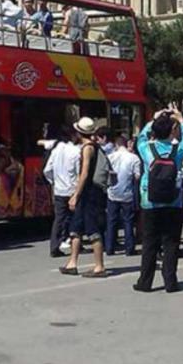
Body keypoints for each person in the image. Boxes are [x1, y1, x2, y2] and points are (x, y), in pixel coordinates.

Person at [133, 106, 183, 293]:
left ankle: (145, 281)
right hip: (173, 201)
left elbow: (141, 137)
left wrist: (154, 118)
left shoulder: (146, 149)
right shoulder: (178, 150)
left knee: (150, 243)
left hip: (149, 201)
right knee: (171, 243)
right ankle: (170, 281)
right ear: (171, 131)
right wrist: (181, 120)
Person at [61, 117, 108, 278]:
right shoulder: (91, 146)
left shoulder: (88, 148)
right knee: (76, 227)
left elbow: (85, 173)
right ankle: (72, 263)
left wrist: (76, 194)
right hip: (90, 192)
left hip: (90, 192)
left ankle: (99, 266)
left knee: (92, 227)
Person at [43, 125, 81, 257]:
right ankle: (75, 244)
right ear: (72, 136)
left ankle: (54, 246)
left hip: (59, 190)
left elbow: (47, 170)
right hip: (72, 190)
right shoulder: (76, 151)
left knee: (59, 219)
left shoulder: (56, 151)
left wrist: (53, 181)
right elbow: (79, 172)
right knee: (75, 219)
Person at [105, 133, 142, 256]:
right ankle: (129, 248)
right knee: (128, 221)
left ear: (116, 145)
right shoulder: (134, 158)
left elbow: (106, 173)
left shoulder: (110, 157)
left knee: (111, 221)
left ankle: (109, 248)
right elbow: (137, 176)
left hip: (112, 192)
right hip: (127, 193)